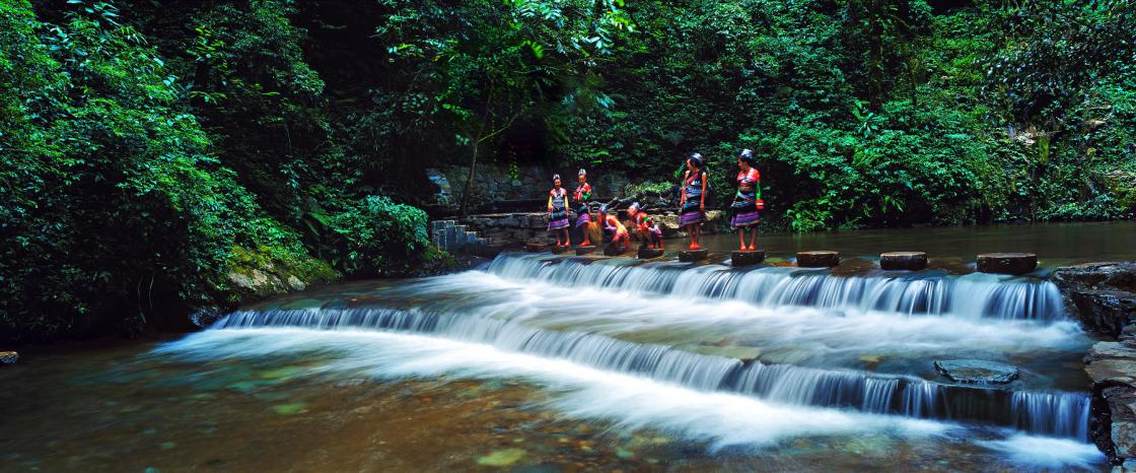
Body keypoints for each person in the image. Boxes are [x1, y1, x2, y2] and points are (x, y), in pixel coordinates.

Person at [731, 149, 764, 251]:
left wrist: (759, 200)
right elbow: (738, 188)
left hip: (751, 201)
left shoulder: (755, 172)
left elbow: (758, 188)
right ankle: (742, 244)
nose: (738, 164)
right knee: (740, 224)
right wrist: (735, 200)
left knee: (753, 223)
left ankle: (752, 244)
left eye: (740, 162)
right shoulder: (740, 174)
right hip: (740, 201)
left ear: (745, 162)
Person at [678, 153, 709, 250]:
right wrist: (682, 199)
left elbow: (703, 189)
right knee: (688, 221)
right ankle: (692, 241)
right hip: (688, 201)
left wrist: (702, 203)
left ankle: (697, 242)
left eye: (688, 163)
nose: (687, 165)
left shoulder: (702, 174)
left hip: (697, 200)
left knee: (697, 222)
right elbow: (684, 187)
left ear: (694, 163)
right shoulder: (687, 173)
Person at [546, 174, 571, 248]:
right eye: (556, 183)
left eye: (558, 182)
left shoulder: (563, 191)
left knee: (564, 226)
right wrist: (549, 206)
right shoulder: (552, 192)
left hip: (562, 210)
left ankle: (568, 240)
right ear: (554, 183)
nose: (557, 184)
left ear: (560, 183)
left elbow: (566, 200)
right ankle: (558, 241)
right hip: (555, 211)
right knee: (556, 227)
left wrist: (567, 208)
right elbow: (550, 200)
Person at [573, 169, 594, 246]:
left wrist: (584, 197)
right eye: (579, 179)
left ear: (585, 178)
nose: (581, 180)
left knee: (585, 223)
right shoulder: (578, 187)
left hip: (585, 206)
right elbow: (576, 196)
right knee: (583, 223)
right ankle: (586, 239)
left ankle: (587, 239)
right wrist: (575, 197)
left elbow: (589, 195)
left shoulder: (587, 186)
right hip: (579, 207)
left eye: (582, 179)